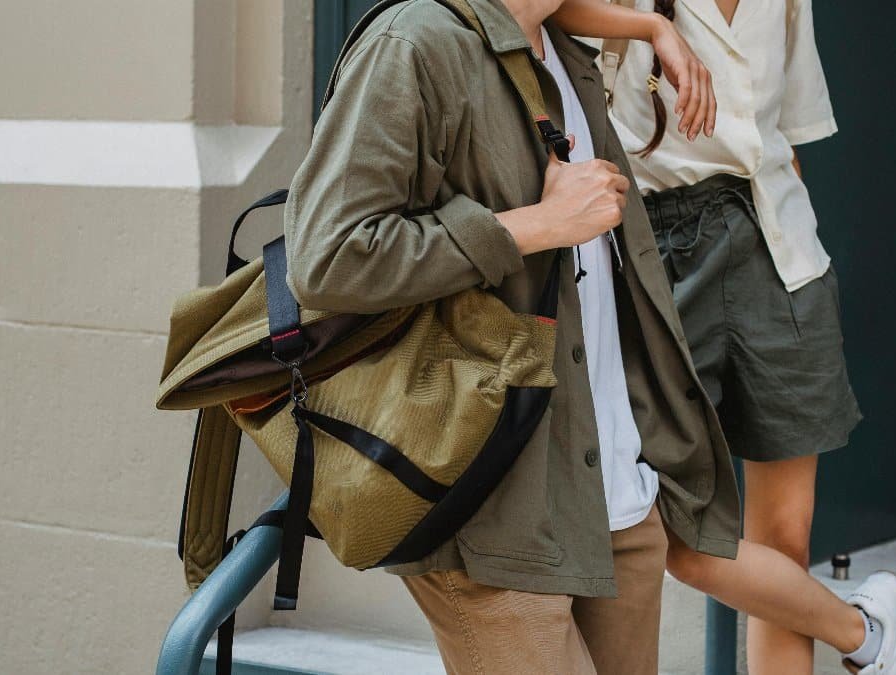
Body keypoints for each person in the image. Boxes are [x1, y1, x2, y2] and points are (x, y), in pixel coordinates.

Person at [283, 0, 743, 673]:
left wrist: (652, 27)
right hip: (491, 506)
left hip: (612, 490)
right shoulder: (412, 45)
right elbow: (326, 258)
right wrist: (533, 225)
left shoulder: (564, 48)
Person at [551, 1, 896, 673]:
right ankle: (865, 634)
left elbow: (788, 135)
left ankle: (865, 638)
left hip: (779, 252)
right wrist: (654, 27)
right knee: (675, 532)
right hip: (654, 253)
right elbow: (544, 8)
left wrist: (797, 258)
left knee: (782, 539)